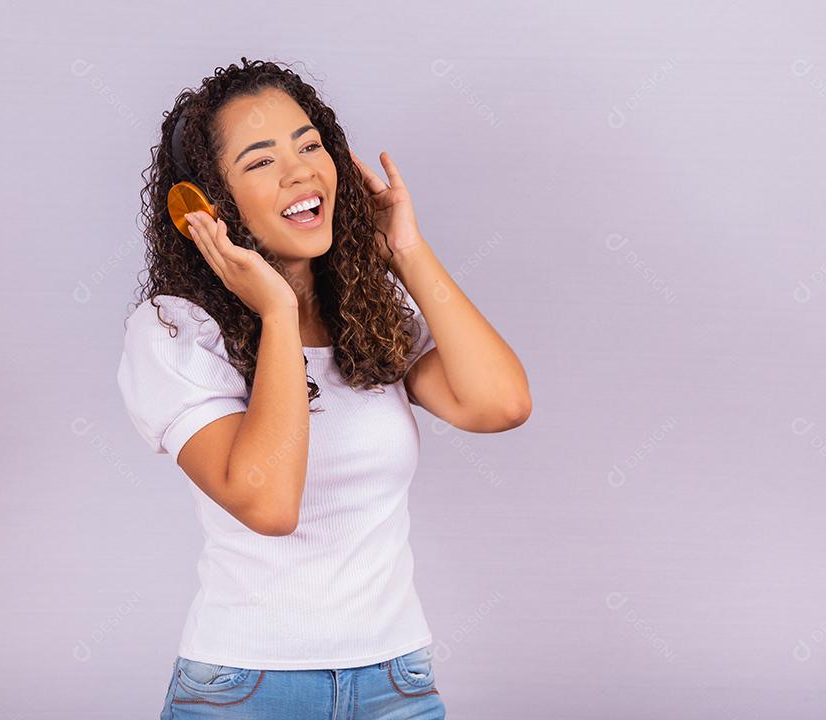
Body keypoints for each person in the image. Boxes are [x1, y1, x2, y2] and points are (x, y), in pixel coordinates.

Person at [117, 57, 531, 719]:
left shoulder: (370, 313)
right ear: (206, 207)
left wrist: (406, 251)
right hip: (247, 690)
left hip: (396, 681)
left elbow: (500, 404)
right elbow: (268, 503)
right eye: (260, 161)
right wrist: (277, 313)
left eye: (310, 145)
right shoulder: (174, 331)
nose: (302, 170)